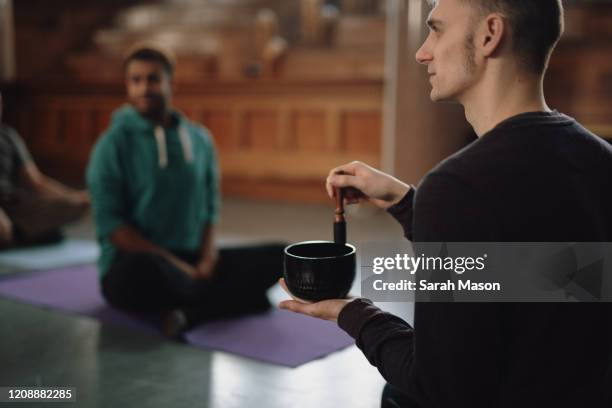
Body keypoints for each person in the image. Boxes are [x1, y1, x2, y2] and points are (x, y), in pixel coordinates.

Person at [280, 1, 612, 407]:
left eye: (437, 30)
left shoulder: (459, 185)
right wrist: (406, 202)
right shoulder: (600, 159)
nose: (422, 51)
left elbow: (443, 388)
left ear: (490, 35)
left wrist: (355, 314)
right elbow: (554, 278)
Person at [86, 45, 284, 336]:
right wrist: (177, 266)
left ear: (171, 83)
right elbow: (113, 228)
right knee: (139, 270)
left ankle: (192, 311)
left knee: (283, 255)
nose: (144, 88)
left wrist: (207, 258)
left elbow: (210, 205)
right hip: (139, 266)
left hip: (193, 261)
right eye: (135, 80)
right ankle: (234, 300)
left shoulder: (200, 139)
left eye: (153, 79)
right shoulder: (112, 144)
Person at [0, 91, 89, 248]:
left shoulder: (8, 135)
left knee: (75, 206)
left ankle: (18, 236)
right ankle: (21, 236)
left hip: (14, 205)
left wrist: (74, 196)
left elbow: (36, 180)